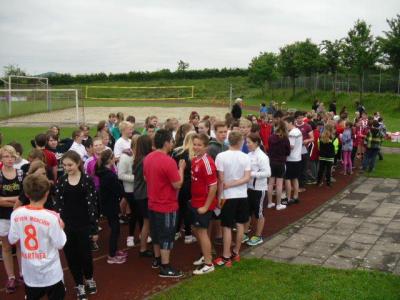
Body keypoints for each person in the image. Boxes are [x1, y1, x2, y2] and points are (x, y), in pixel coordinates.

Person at [8, 174, 66, 300]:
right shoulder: (52, 217)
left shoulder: (16, 214)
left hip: (30, 273)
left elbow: (12, 239)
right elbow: (60, 244)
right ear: (47, 193)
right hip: (52, 273)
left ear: (27, 194)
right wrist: (61, 228)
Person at [54, 151, 99, 300]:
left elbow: (93, 205)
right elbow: (59, 205)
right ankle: (79, 284)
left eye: (70, 165)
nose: (67, 168)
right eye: (64, 165)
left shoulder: (87, 180)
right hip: (67, 227)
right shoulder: (61, 181)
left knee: (85, 256)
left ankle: (89, 278)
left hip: (84, 225)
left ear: (78, 163)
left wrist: (93, 227)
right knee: (71, 257)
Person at [143, 129, 185, 278]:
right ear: (166, 142)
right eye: (172, 141)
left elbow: (146, 178)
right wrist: (181, 169)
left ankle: (157, 260)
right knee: (167, 236)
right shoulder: (168, 161)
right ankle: (165, 267)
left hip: (152, 203)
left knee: (155, 234)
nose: (173, 144)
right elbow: (177, 184)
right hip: (166, 205)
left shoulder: (148, 158)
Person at [214, 131, 251, 267]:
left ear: (229, 141)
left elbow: (221, 180)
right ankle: (235, 252)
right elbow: (247, 178)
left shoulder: (221, 156)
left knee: (227, 226)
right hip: (242, 195)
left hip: (228, 196)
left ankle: (226, 256)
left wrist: (220, 195)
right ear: (241, 142)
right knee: (240, 224)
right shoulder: (245, 157)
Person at [190, 133, 218, 275]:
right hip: (196, 201)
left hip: (203, 203)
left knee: (202, 231)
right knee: (197, 230)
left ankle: (208, 263)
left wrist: (206, 206)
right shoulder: (195, 159)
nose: (196, 147)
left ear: (206, 147)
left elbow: (213, 186)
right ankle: (205, 255)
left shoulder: (207, 162)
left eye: (199, 145)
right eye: (194, 144)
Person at [96, 149, 127, 264]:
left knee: (114, 227)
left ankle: (114, 251)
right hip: (111, 206)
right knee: (115, 229)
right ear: (110, 159)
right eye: (113, 157)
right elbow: (119, 190)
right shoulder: (109, 175)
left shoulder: (104, 172)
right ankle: (112, 255)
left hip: (107, 204)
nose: (115, 159)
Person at [0, 145, 23, 293]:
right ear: (1, 159)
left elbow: (25, 196)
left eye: (12, 156)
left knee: (21, 245)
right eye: (6, 157)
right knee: (7, 247)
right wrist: (15, 200)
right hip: (3, 217)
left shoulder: (20, 173)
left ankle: (22, 273)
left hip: (19, 216)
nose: (9, 159)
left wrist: (7, 200)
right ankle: (11, 277)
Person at [245, 133, 271, 246]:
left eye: (249, 142)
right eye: (247, 142)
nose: (247, 144)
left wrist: (251, 174)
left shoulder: (262, 156)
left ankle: (258, 236)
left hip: (259, 189)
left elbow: (268, 173)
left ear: (256, 143)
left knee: (258, 213)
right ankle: (245, 233)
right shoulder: (249, 154)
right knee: (247, 212)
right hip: (248, 188)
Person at [172, 132, 196, 244]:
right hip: (190, 184)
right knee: (187, 210)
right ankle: (188, 234)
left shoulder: (177, 151)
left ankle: (176, 232)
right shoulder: (193, 154)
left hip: (178, 183)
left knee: (179, 208)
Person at [133, 135, 154, 257]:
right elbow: (147, 178)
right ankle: (143, 248)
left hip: (140, 193)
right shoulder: (144, 160)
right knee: (147, 222)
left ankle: (143, 247)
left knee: (147, 222)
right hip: (144, 194)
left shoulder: (138, 158)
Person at [267, 120, 291, 211]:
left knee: (270, 183)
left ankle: (269, 203)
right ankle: (278, 204)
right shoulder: (285, 138)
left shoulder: (271, 137)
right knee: (279, 184)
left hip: (272, 162)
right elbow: (288, 151)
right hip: (280, 162)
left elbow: (269, 148)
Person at [283, 116, 303, 205]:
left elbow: (291, 146)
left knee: (287, 178)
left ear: (290, 123)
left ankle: (288, 198)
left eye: (286, 124)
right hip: (297, 158)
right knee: (295, 178)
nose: (285, 126)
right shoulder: (298, 131)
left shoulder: (292, 133)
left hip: (291, 158)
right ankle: (295, 196)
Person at [294, 111, 314, 189]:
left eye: (301, 117)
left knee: (303, 167)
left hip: (303, 150)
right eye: (298, 118)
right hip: (294, 151)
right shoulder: (293, 126)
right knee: (296, 167)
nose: (300, 119)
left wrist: (307, 141)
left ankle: (302, 185)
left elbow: (312, 138)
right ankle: (296, 185)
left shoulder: (307, 126)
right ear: (295, 118)